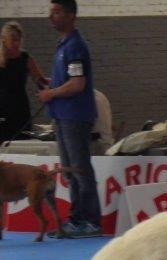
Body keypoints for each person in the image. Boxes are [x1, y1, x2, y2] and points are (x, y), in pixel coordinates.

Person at [37, 0, 101, 238]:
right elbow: (68, 80)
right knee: (69, 170)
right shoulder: (63, 45)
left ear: (71, 15)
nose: (51, 16)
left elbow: (78, 84)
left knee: (80, 169)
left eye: (57, 12)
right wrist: (50, 85)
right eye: (50, 11)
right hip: (62, 116)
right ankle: (76, 219)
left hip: (75, 116)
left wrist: (50, 93)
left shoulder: (75, 46)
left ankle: (91, 221)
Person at [0, 21, 48, 143]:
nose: (17, 43)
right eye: (13, 40)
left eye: (19, 40)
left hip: (20, 109)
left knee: (23, 144)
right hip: (2, 110)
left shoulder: (25, 58)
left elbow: (40, 81)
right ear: (4, 39)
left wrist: (51, 90)